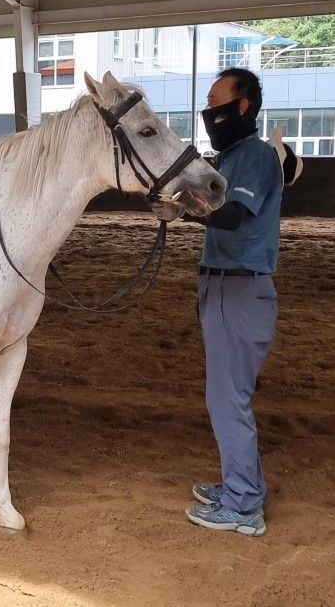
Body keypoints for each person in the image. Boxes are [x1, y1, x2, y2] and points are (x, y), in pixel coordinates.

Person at [154, 67, 301, 537]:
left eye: (217, 101)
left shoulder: (255, 155)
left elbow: (235, 216)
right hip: (223, 286)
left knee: (227, 399)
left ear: (242, 106)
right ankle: (243, 486)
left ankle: (243, 505)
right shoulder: (230, 156)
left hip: (239, 289)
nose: (209, 111)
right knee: (227, 396)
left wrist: (184, 211)